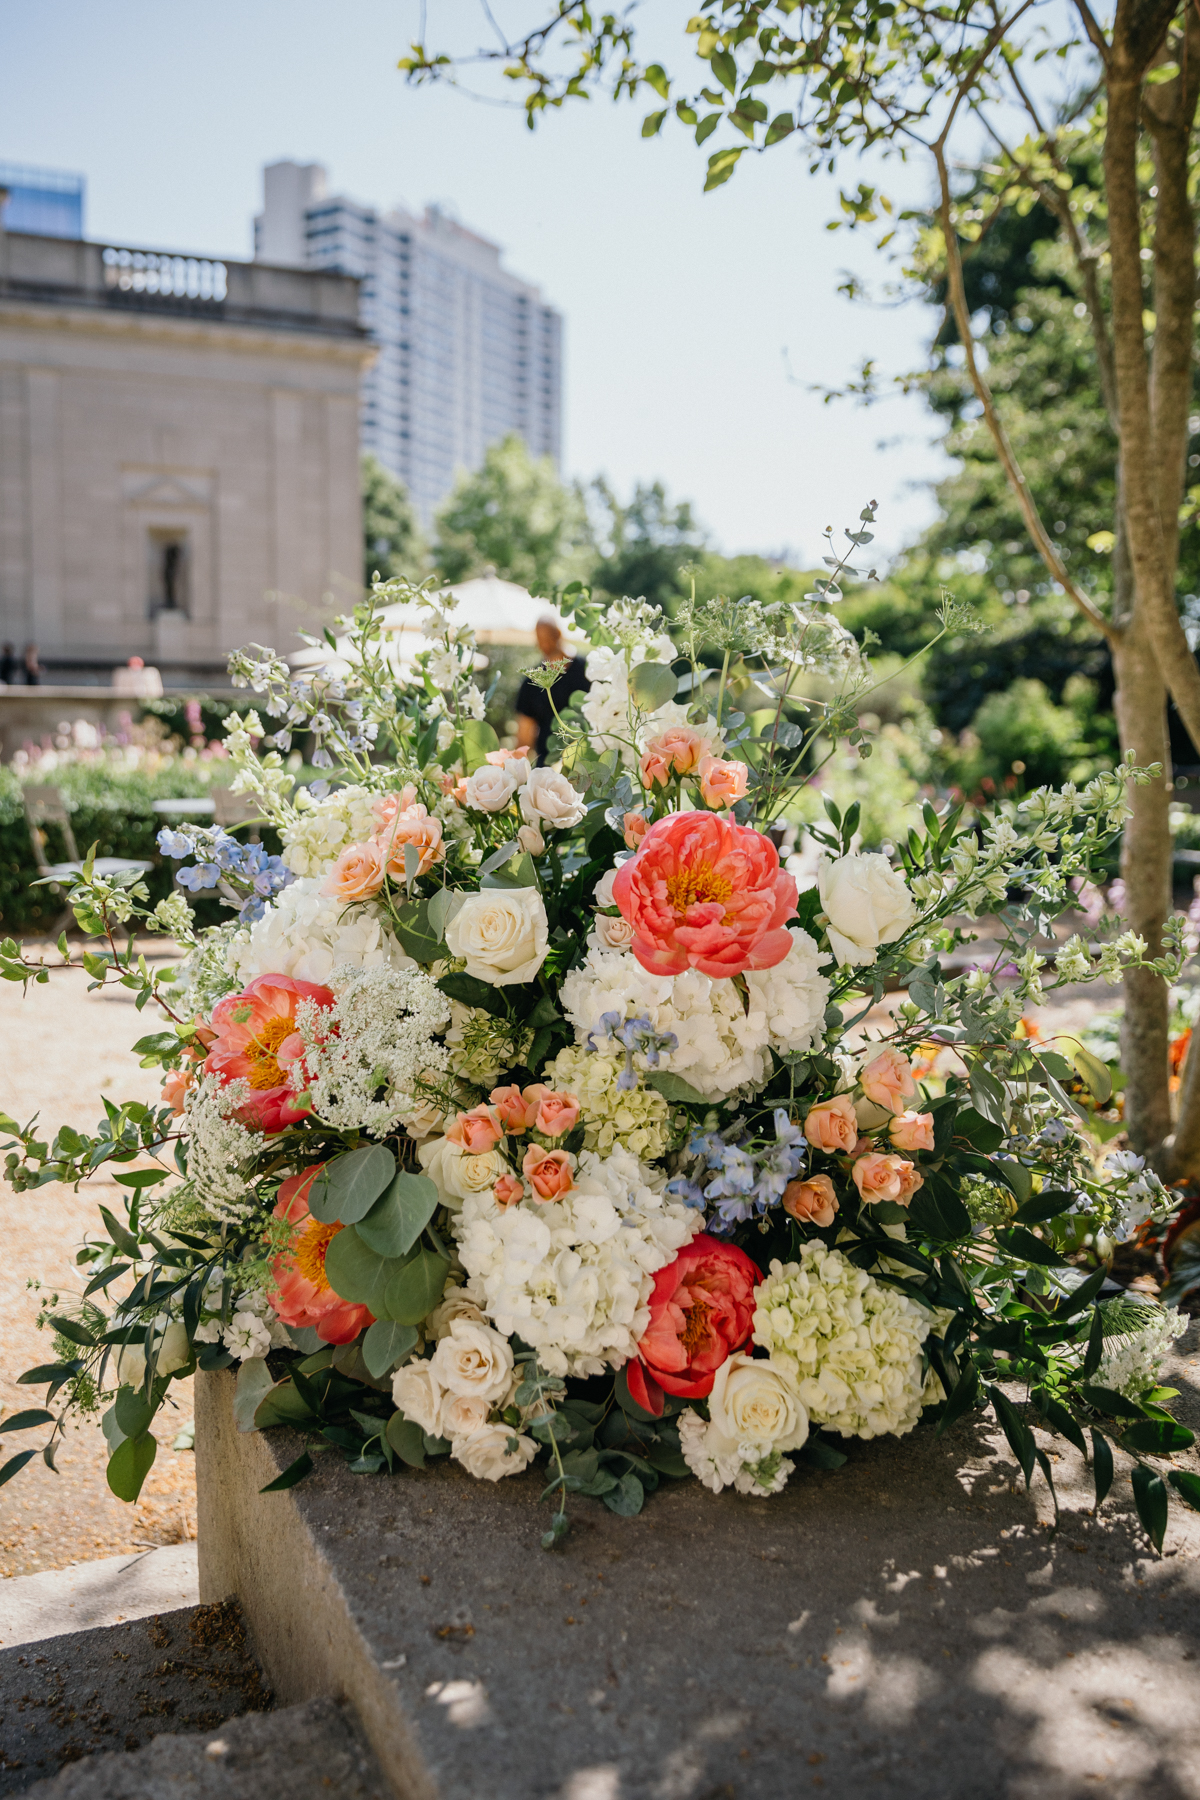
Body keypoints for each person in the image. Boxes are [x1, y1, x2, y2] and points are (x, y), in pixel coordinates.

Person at [515, 617, 590, 762]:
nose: (544, 643)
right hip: (548, 763)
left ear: (559, 634)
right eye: (540, 638)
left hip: (586, 760)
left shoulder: (586, 670)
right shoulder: (531, 681)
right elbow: (524, 733)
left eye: (548, 636)